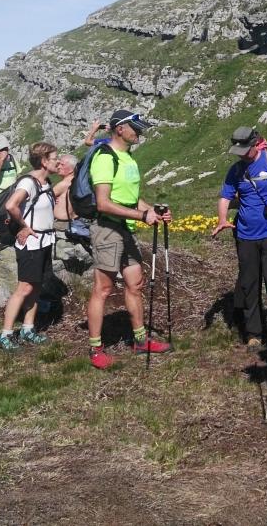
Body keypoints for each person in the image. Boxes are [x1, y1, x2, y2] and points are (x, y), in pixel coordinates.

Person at [85, 109, 174, 369]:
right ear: (119, 128)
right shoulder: (104, 157)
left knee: (135, 284)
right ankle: (95, 348)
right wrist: (140, 215)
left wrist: (152, 212)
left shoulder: (128, 159)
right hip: (107, 229)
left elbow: (130, 197)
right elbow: (103, 203)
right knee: (103, 289)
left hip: (125, 229)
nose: (139, 132)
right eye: (134, 127)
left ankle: (139, 340)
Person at [212, 126, 267, 351]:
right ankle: (254, 334)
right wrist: (222, 218)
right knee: (249, 284)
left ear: (255, 144)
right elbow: (225, 196)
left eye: (244, 149)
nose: (240, 154)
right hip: (245, 236)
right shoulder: (235, 170)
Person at [0, 142, 60, 351]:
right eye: (54, 158)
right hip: (30, 243)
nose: (57, 161)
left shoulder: (45, 182)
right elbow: (10, 205)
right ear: (43, 161)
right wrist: (24, 226)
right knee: (24, 287)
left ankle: (28, 328)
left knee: (36, 285)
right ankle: (5, 334)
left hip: (44, 241)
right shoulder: (28, 183)